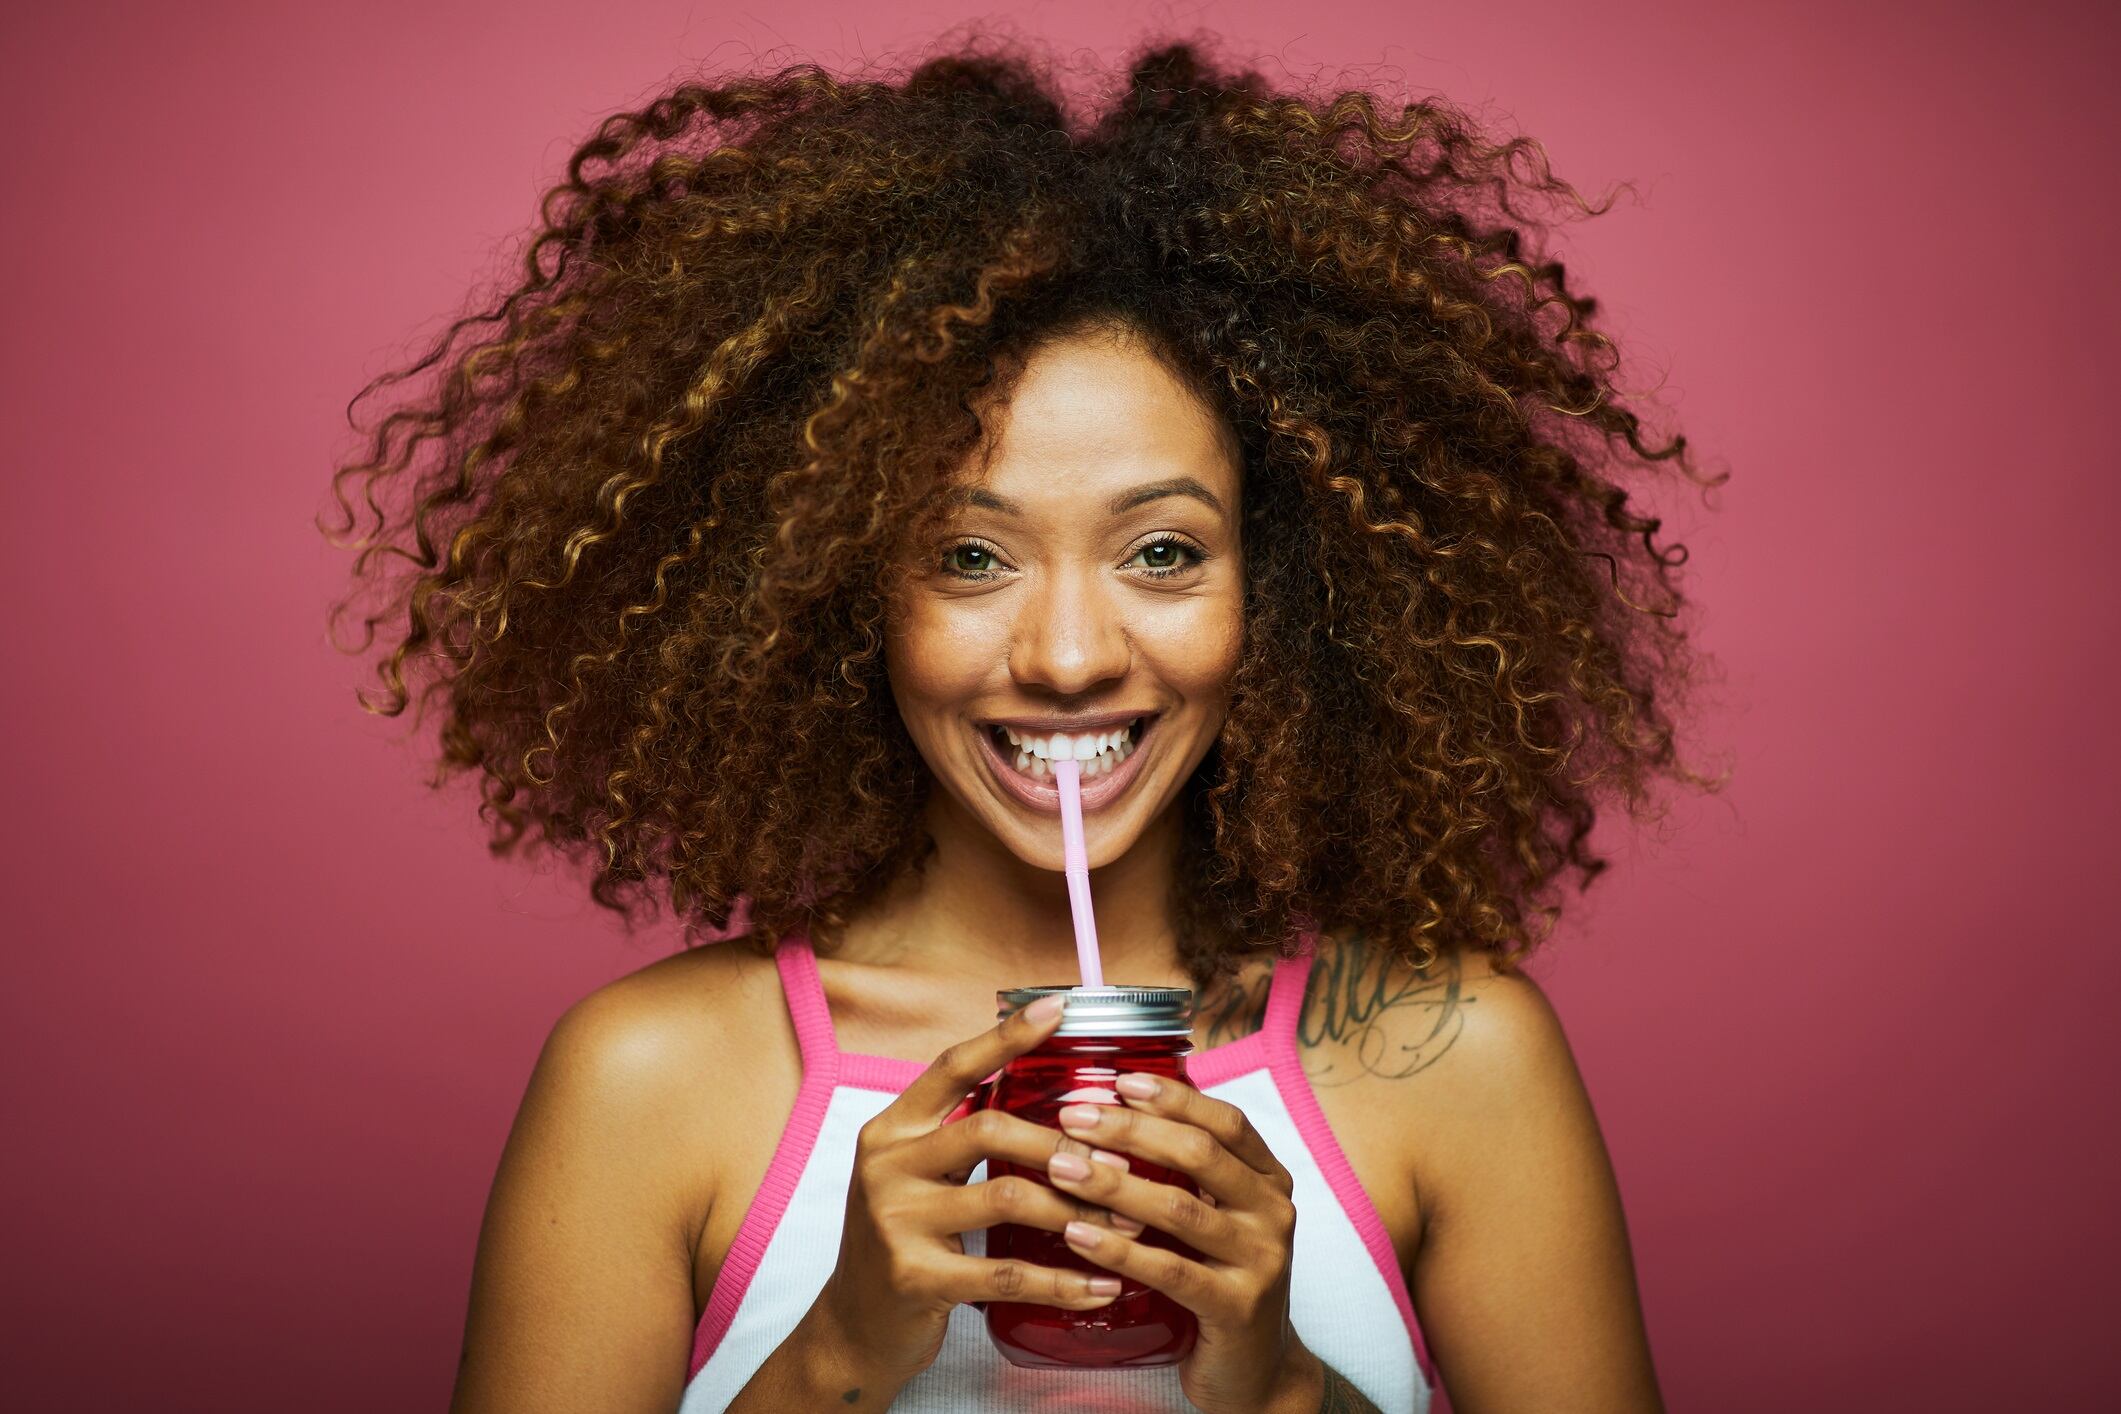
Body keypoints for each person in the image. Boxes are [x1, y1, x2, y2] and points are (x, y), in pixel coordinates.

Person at [322, 33, 1722, 1414]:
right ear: (831, 587)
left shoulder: (1452, 1055)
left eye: (1163, 553)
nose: (1065, 656)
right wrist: (835, 1350)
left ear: (1290, 590)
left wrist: (1288, 1385)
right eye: (969, 556)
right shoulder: (648, 1083)